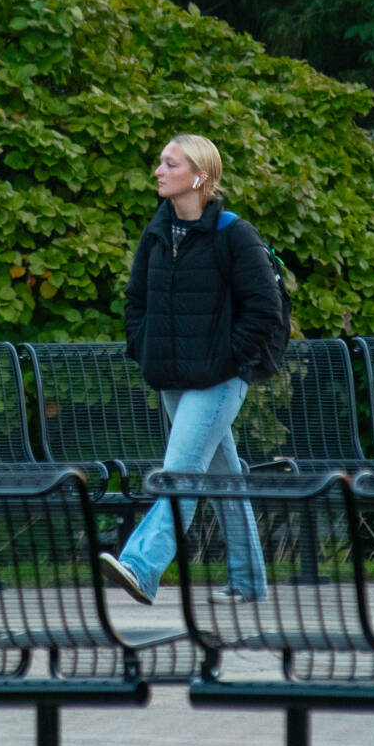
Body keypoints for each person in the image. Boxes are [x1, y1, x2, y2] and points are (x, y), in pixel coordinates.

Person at [99, 133, 282, 606]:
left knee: (182, 471)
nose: (158, 171)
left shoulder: (233, 234)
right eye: (160, 163)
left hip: (219, 380)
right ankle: (248, 580)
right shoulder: (157, 233)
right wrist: (145, 347)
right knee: (223, 478)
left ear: (199, 176)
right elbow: (136, 300)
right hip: (174, 378)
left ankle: (141, 565)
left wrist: (228, 359)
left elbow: (264, 310)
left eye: (170, 164)